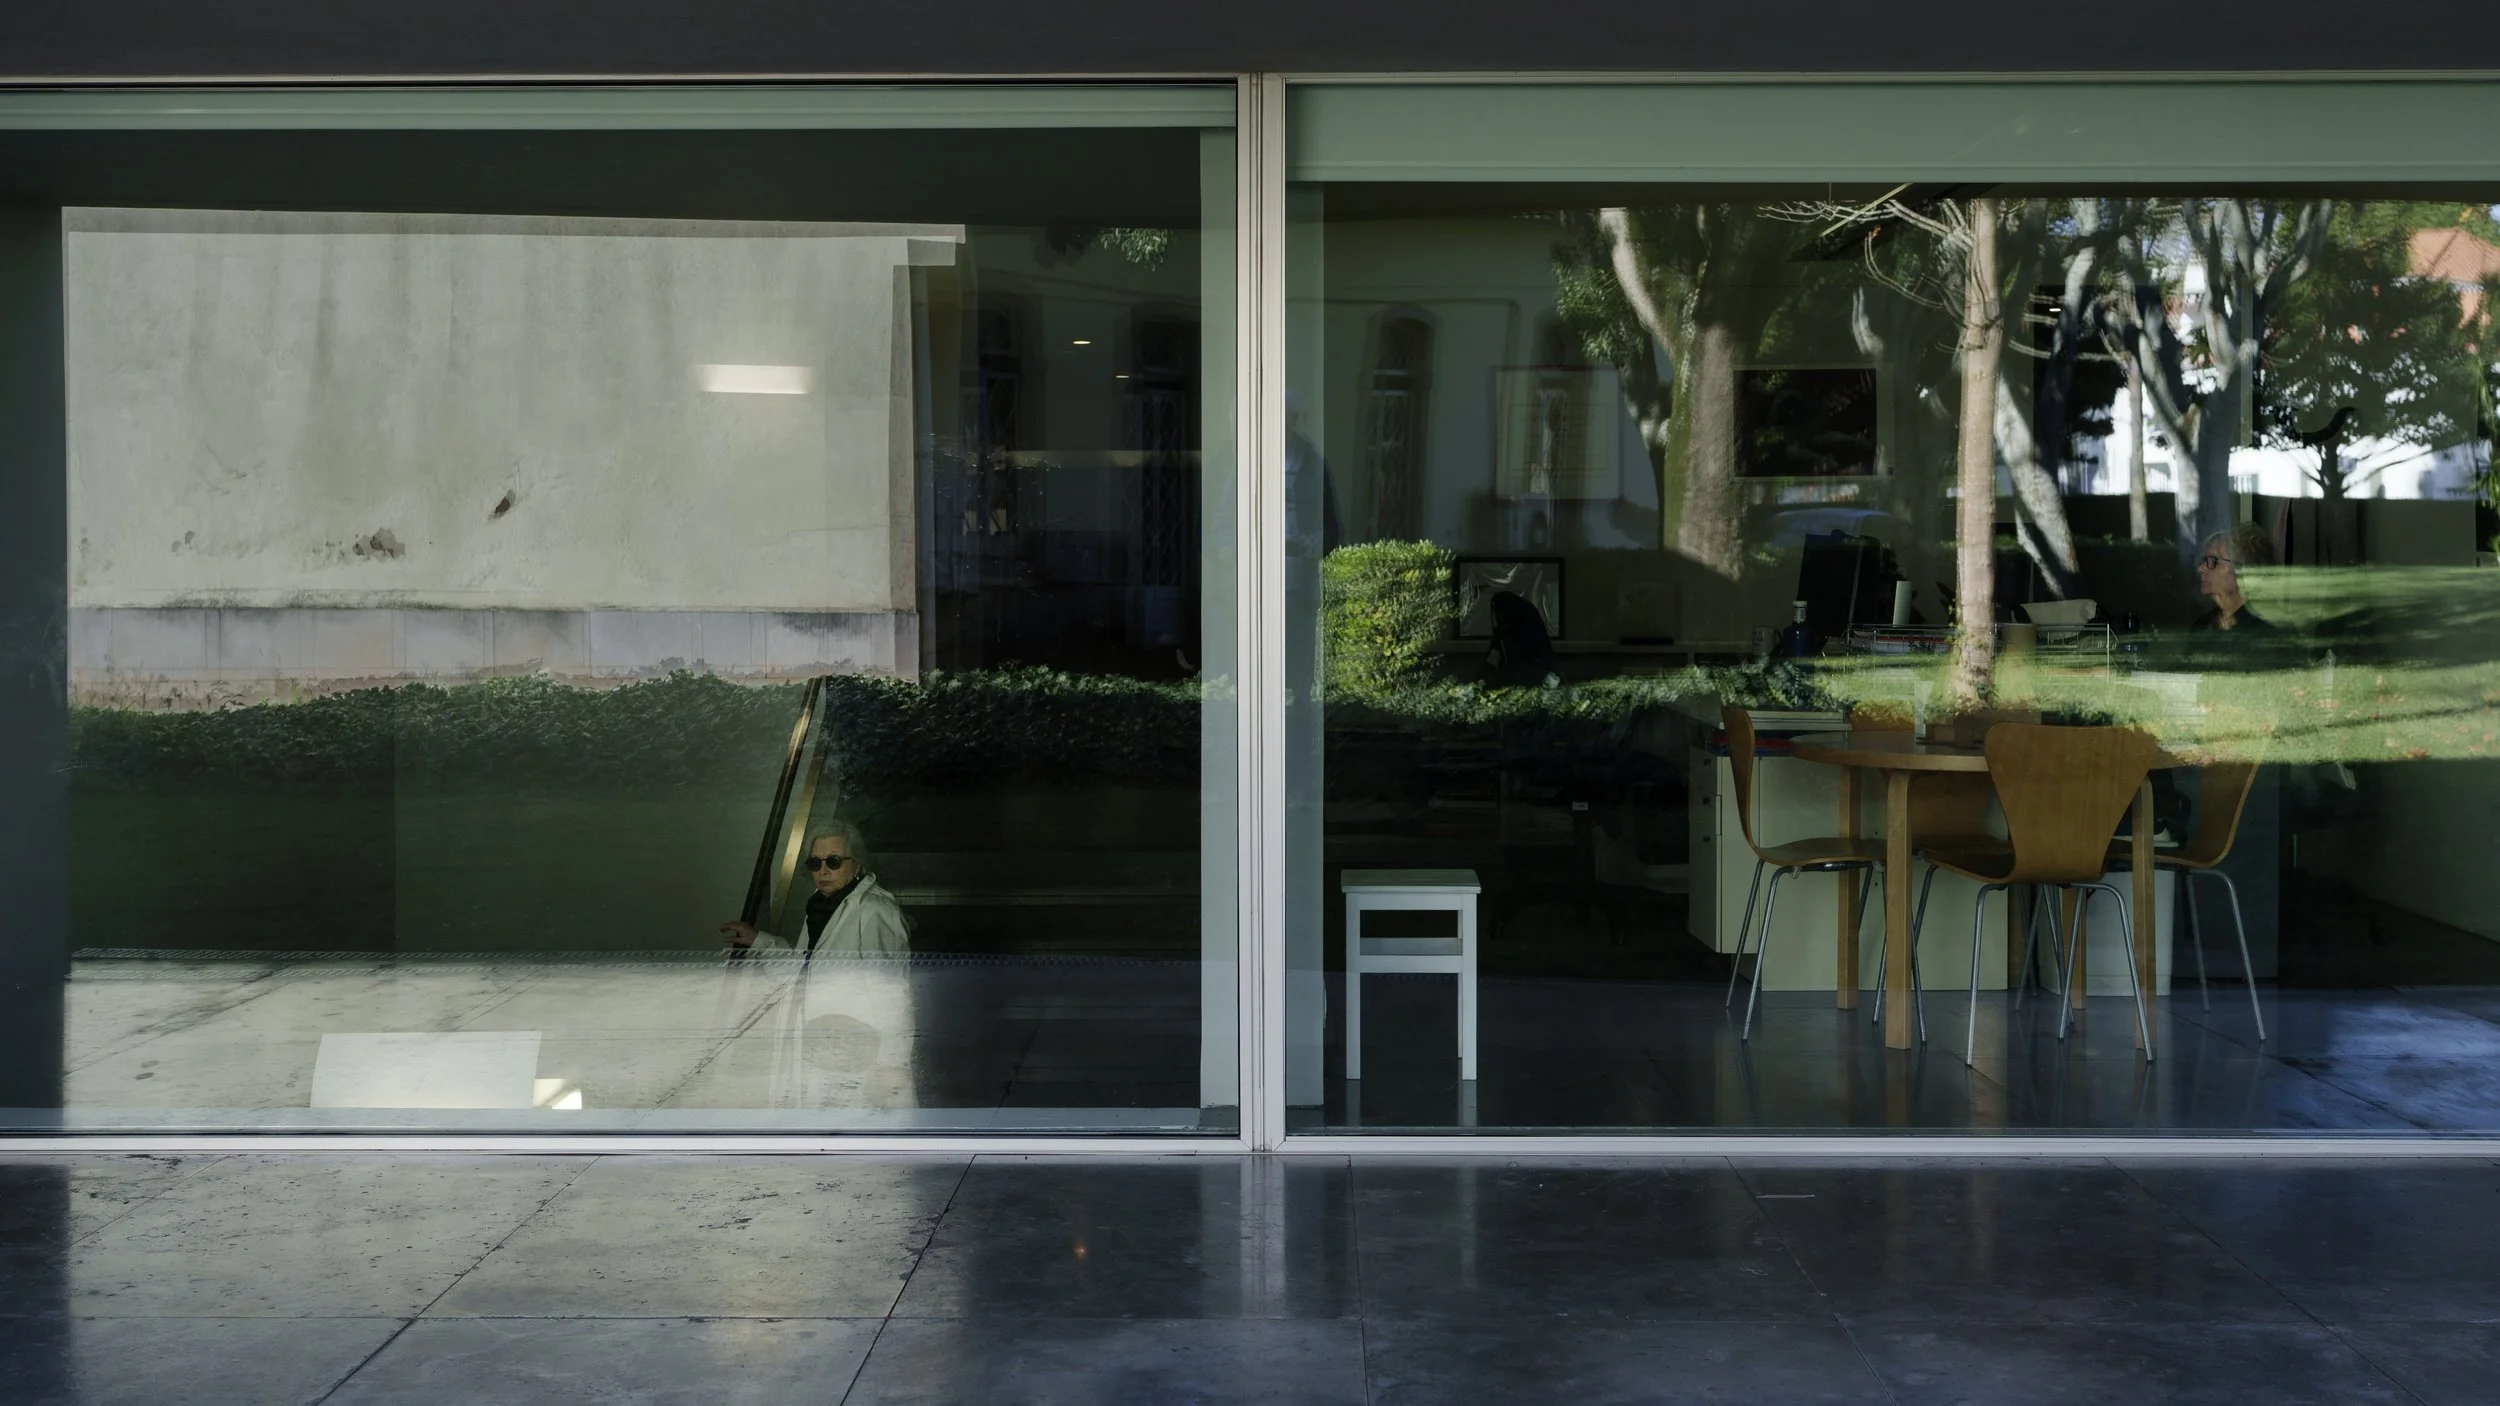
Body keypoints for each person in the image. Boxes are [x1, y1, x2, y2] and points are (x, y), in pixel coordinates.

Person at [719, 821, 910, 956]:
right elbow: (803, 968)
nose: (823, 871)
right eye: (815, 862)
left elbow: (886, 992)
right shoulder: (820, 904)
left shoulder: (876, 911)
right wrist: (758, 940)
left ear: (857, 864)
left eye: (833, 861)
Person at [2192, 522, 2277, 631]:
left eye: (2212, 561)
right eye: (2204, 560)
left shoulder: (2265, 632)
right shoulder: (2202, 626)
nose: (2201, 569)